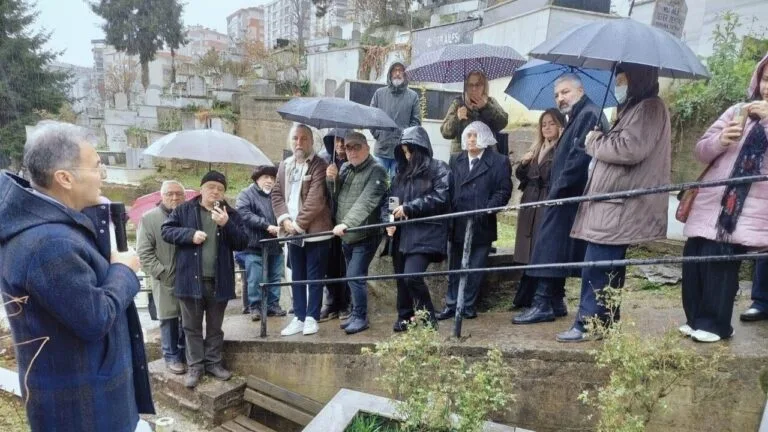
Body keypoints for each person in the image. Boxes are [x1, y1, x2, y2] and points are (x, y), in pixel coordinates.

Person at [0, 121, 154, 431]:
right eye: (97, 166)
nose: (103, 175)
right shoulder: (49, 245)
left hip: (87, 396)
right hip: (83, 410)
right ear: (65, 178)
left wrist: (99, 217)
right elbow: (94, 317)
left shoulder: (51, 227)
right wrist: (124, 270)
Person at [561, 64, 671, 343]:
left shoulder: (649, 108)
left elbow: (629, 148)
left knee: (597, 265)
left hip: (619, 203)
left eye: (622, 80)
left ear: (638, 79)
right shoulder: (636, 108)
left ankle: (589, 324)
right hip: (612, 202)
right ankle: (605, 322)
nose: (618, 86)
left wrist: (595, 141)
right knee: (605, 265)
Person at [680, 53, 768, 343]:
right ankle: (694, 319)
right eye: (766, 79)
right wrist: (721, 140)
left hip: (743, 209)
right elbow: (700, 150)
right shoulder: (737, 110)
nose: (767, 87)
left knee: (720, 262)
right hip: (710, 199)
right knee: (694, 256)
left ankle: (716, 325)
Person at [513, 74, 607, 325]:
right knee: (553, 248)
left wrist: (558, 190)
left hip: (567, 194)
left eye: (565, 92)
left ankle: (543, 302)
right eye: (557, 95)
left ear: (580, 90)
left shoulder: (589, 114)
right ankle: (553, 301)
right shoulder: (578, 115)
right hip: (564, 194)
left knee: (549, 248)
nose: (560, 98)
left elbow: (579, 159)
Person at [162, 170, 248, 387]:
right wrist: (189, 235)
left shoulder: (231, 214)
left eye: (220, 189)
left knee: (215, 327)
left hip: (219, 281)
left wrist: (226, 223)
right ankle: (195, 367)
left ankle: (213, 363)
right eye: (211, 187)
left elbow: (243, 242)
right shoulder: (183, 210)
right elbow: (167, 231)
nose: (215, 192)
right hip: (190, 281)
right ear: (201, 189)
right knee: (191, 327)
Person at [436, 121, 512, 321]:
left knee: (475, 267)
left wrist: (486, 209)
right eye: (468, 135)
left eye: (475, 135)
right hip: (458, 222)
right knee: (454, 267)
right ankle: (452, 305)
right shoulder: (455, 160)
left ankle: (468, 305)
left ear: (485, 138)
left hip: (481, 223)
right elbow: (449, 188)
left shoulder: (499, 161)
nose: (471, 139)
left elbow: (503, 191)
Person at [386, 126, 452, 331]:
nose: (407, 156)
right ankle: (404, 316)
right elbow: (390, 202)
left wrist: (409, 208)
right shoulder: (401, 174)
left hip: (427, 232)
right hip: (402, 233)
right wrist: (388, 221)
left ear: (421, 149)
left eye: (410, 151)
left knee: (411, 276)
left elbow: (442, 197)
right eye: (404, 152)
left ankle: (428, 318)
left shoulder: (439, 168)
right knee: (401, 278)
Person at [272, 124, 334, 337]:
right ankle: (298, 316)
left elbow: (316, 201)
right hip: (292, 232)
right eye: (295, 138)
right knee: (296, 274)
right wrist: (285, 220)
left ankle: (311, 317)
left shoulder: (319, 165)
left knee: (314, 276)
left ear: (311, 141)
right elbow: (277, 195)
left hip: (315, 232)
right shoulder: (285, 165)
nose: (299, 143)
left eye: (304, 139)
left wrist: (297, 226)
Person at [327, 132, 389, 334]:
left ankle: (361, 317)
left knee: (355, 275)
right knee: (351, 276)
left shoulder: (377, 171)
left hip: (364, 234)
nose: (351, 151)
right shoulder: (345, 168)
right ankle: (355, 313)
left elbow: (366, 202)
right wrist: (332, 180)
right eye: (348, 147)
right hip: (347, 235)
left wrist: (346, 223)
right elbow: (337, 197)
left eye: (356, 147)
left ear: (367, 148)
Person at [512, 109, 566, 309]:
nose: (547, 128)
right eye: (544, 124)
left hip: (545, 201)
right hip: (530, 201)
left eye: (552, 123)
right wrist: (524, 164)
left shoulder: (561, 149)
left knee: (541, 247)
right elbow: (523, 176)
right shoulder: (537, 148)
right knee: (527, 249)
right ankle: (525, 296)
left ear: (560, 125)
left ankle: (548, 298)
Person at [137, 180, 187, 374]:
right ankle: (171, 356)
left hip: (188, 278)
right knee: (168, 319)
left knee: (188, 319)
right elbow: (144, 252)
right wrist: (163, 273)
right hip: (165, 278)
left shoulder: (188, 216)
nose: (174, 197)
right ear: (162, 196)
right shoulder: (150, 218)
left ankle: (185, 354)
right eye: (169, 194)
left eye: (178, 194)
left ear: (184, 197)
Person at [236, 165, 286, 321]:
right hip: (254, 245)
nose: (269, 181)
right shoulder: (246, 194)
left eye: (272, 178)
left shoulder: (276, 195)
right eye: (266, 177)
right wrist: (266, 225)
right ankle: (255, 307)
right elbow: (244, 213)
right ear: (257, 179)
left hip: (276, 244)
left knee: (275, 277)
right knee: (255, 279)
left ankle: (273, 305)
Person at [318, 128, 351, 321]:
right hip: (327, 220)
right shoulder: (324, 160)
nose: (340, 146)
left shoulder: (354, 161)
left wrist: (337, 179)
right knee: (329, 263)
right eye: (337, 141)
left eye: (343, 141)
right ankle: (330, 303)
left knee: (345, 263)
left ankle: (345, 303)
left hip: (346, 220)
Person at [370, 61, 422, 178]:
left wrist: (405, 140)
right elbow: (372, 118)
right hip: (381, 151)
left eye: (401, 70)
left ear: (405, 74)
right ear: (390, 73)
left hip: (401, 152)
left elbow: (416, 123)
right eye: (395, 70)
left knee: (397, 187)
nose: (397, 73)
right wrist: (379, 135)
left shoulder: (413, 96)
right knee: (378, 185)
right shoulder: (379, 93)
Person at [441, 70, 509, 154]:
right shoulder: (458, 103)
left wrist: (486, 107)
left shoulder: (490, 102)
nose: (474, 89)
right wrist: (457, 118)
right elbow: (445, 133)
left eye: (478, 85)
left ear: (484, 86)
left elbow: (502, 123)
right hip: (462, 158)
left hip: (487, 157)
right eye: (470, 85)